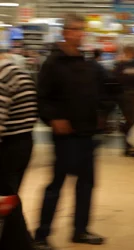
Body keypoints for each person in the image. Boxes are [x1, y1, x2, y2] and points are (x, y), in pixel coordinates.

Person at [34, 13, 107, 249]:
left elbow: (94, 93)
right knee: (56, 185)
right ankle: (41, 236)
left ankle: (80, 230)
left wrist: (99, 113)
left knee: (86, 185)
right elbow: (42, 98)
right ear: (65, 32)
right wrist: (53, 118)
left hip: (86, 133)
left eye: (82, 29)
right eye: (75, 29)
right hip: (66, 137)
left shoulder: (83, 61)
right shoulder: (53, 62)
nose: (80, 33)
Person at [0, 52, 38, 250]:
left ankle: (21, 244)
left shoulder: (3, 74)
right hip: (23, 141)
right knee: (8, 195)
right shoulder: (19, 72)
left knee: (6, 196)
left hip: (9, 145)